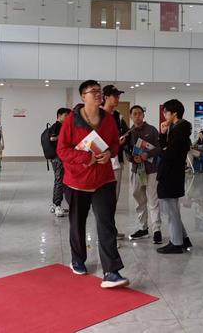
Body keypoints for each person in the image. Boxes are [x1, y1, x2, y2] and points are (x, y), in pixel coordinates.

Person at [57, 80, 129, 288]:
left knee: (106, 224)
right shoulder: (72, 120)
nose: (98, 94)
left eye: (100, 91)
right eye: (93, 91)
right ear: (83, 96)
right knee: (77, 223)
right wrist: (85, 158)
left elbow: (114, 144)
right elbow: (62, 150)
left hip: (103, 179)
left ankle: (111, 271)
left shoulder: (109, 119)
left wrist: (110, 153)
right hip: (77, 181)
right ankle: (77, 259)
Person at [156, 99, 193, 254]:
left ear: (174, 113)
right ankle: (183, 238)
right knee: (172, 209)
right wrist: (163, 135)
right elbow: (165, 149)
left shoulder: (178, 131)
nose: (164, 115)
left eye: (166, 112)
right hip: (173, 173)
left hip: (170, 174)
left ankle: (176, 243)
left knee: (171, 209)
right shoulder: (178, 129)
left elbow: (167, 153)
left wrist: (163, 146)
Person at [126, 105, 162, 244]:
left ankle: (157, 230)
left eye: (140, 113)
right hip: (136, 171)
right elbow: (126, 151)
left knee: (153, 200)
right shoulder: (129, 133)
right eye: (134, 114)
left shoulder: (152, 130)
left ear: (143, 115)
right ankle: (143, 228)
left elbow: (159, 148)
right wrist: (132, 158)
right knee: (139, 200)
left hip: (151, 170)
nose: (137, 116)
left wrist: (148, 154)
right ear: (131, 116)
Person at [101, 85, 130, 202]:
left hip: (117, 159)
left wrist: (122, 140)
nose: (118, 98)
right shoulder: (97, 114)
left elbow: (127, 132)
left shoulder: (118, 116)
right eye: (115, 96)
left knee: (115, 191)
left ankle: (111, 210)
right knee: (102, 191)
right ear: (106, 97)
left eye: (118, 96)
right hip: (101, 159)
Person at [48, 108, 71, 217]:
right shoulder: (58, 125)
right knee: (59, 181)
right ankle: (57, 206)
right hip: (58, 158)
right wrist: (63, 136)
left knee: (58, 181)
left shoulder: (58, 125)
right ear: (59, 115)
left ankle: (54, 204)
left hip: (57, 158)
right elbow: (52, 138)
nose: (67, 118)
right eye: (65, 115)